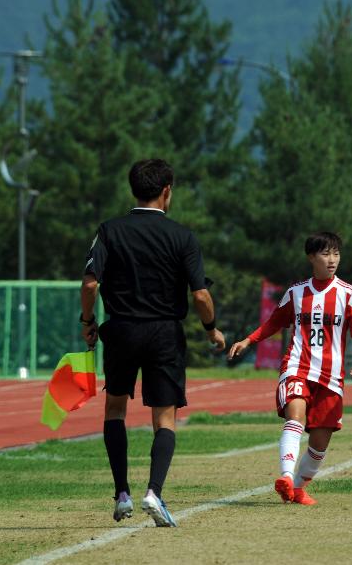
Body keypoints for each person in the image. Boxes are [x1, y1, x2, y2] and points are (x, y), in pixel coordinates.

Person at [80, 159, 226, 526]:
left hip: (122, 330)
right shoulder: (182, 236)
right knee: (165, 417)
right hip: (164, 333)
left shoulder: (109, 230)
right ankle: (154, 493)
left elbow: (90, 283)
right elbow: (201, 296)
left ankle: (122, 493)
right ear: (167, 191)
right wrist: (211, 329)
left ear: (134, 189)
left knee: (115, 409)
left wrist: (88, 321)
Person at [227, 232, 352, 505]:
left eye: (336, 254)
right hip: (298, 365)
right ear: (311, 257)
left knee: (320, 443)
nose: (332, 260)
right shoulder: (296, 293)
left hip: (331, 376)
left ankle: (297, 488)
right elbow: (274, 323)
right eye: (325, 254)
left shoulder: (350, 294)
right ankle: (284, 475)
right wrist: (249, 340)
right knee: (295, 415)